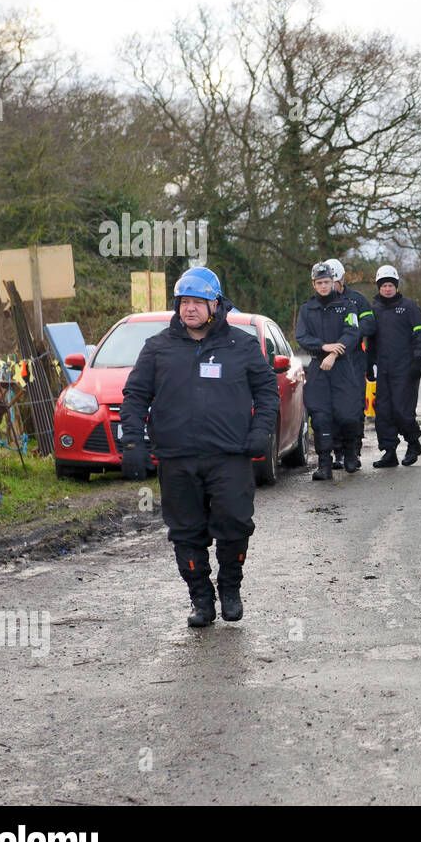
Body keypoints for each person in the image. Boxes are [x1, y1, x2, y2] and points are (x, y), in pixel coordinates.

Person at [119, 268, 279, 628]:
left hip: (230, 456)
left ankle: (230, 589)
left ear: (215, 305)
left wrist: (261, 432)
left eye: (198, 302)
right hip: (177, 459)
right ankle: (201, 600)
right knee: (186, 532)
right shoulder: (158, 347)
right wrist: (132, 441)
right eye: (184, 302)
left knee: (235, 525)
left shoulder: (241, 345)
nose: (190, 309)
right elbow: (134, 397)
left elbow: (268, 393)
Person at [296, 262, 362, 480]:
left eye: (327, 282)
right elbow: (302, 337)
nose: (324, 286)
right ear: (313, 284)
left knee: (347, 414)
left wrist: (334, 355)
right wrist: (324, 348)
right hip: (318, 367)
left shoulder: (347, 305)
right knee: (321, 416)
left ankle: (351, 452)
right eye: (319, 283)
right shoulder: (307, 309)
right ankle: (324, 463)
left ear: (333, 282)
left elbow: (352, 333)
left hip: (342, 366)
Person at [370, 264, 421, 467]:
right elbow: (371, 341)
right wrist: (369, 365)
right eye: (384, 285)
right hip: (383, 369)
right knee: (383, 412)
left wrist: (418, 360)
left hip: (405, 369)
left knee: (402, 411)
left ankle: (413, 443)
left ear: (396, 286)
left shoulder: (409, 306)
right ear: (379, 287)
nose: (387, 289)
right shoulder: (374, 310)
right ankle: (389, 452)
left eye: (390, 285)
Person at [325, 258, 376, 469]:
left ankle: (353, 450)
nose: (329, 286)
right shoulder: (321, 301)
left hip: (353, 362)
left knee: (354, 409)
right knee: (333, 409)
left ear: (341, 280)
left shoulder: (357, 300)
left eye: (332, 282)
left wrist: (349, 335)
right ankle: (338, 452)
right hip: (330, 363)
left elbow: (369, 324)